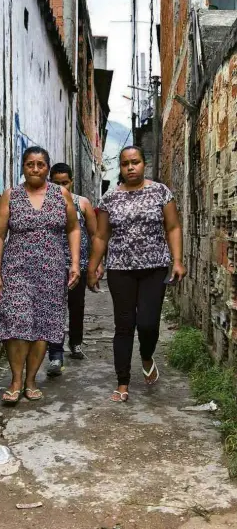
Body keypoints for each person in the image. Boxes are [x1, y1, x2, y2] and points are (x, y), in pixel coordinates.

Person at [87, 146, 186, 402]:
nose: (131, 167)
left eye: (135, 162)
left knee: (148, 323)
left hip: (154, 267)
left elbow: (173, 227)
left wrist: (177, 260)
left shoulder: (160, 192)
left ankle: (146, 355)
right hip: (121, 269)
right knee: (124, 325)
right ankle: (122, 383)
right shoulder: (110, 199)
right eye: (125, 164)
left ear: (143, 164)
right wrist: (93, 266)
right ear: (120, 168)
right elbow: (101, 235)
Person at [0, 147, 80, 403]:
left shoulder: (61, 195)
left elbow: (73, 228)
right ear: (23, 167)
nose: (36, 169)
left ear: (48, 168)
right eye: (30, 164)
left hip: (51, 270)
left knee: (43, 324)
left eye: (41, 164)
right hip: (16, 269)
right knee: (16, 322)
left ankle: (31, 380)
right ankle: (16, 379)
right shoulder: (11, 196)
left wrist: (74, 263)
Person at [47, 163, 103, 376]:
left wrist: (97, 264)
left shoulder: (82, 203)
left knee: (76, 306)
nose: (61, 186)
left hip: (76, 265)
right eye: (56, 183)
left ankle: (76, 342)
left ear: (72, 181)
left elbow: (95, 234)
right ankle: (55, 355)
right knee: (54, 309)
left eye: (65, 182)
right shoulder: (44, 203)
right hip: (50, 265)